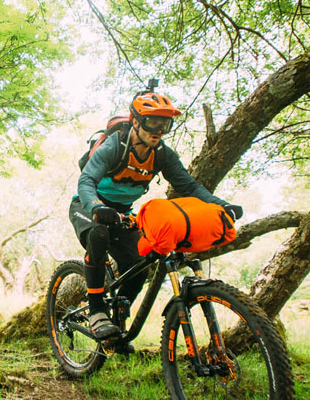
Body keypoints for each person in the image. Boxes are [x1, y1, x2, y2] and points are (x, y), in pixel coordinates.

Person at [69, 90, 242, 342]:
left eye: (165, 124)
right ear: (136, 121)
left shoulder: (162, 154)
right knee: (98, 234)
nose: (159, 130)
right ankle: (96, 310)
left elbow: (190, 187)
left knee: (140, 265)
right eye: (153, 122)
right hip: (87, 205)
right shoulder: (115, 146)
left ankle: (116, 328)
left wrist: (222, 205)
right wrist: (95, 207)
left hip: (122, 214)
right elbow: (86, 180)